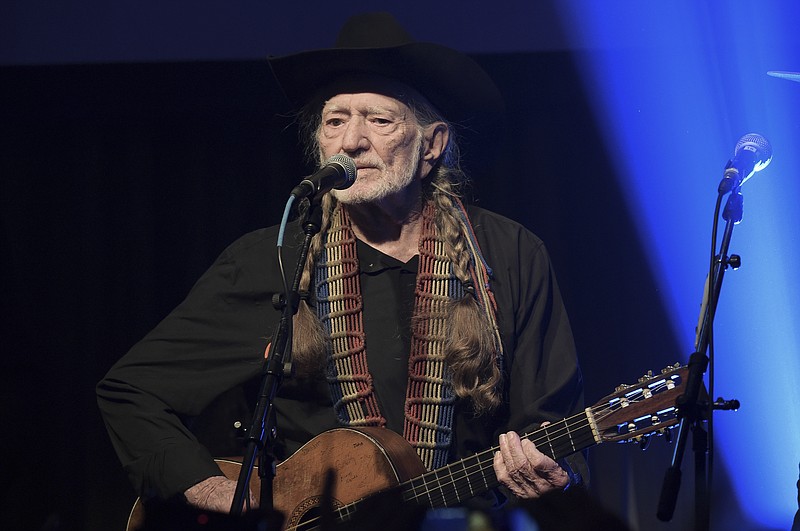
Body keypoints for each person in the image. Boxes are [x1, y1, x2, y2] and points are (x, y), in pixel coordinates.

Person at [97, 11, 587, 522]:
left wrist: (555, 467)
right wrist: (222, 495)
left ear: (432, 145)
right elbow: (131, 391)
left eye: (378, 120)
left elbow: (552, 420)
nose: (351, 141)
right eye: (335, 121)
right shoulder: (273, 259)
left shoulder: (508, 254)